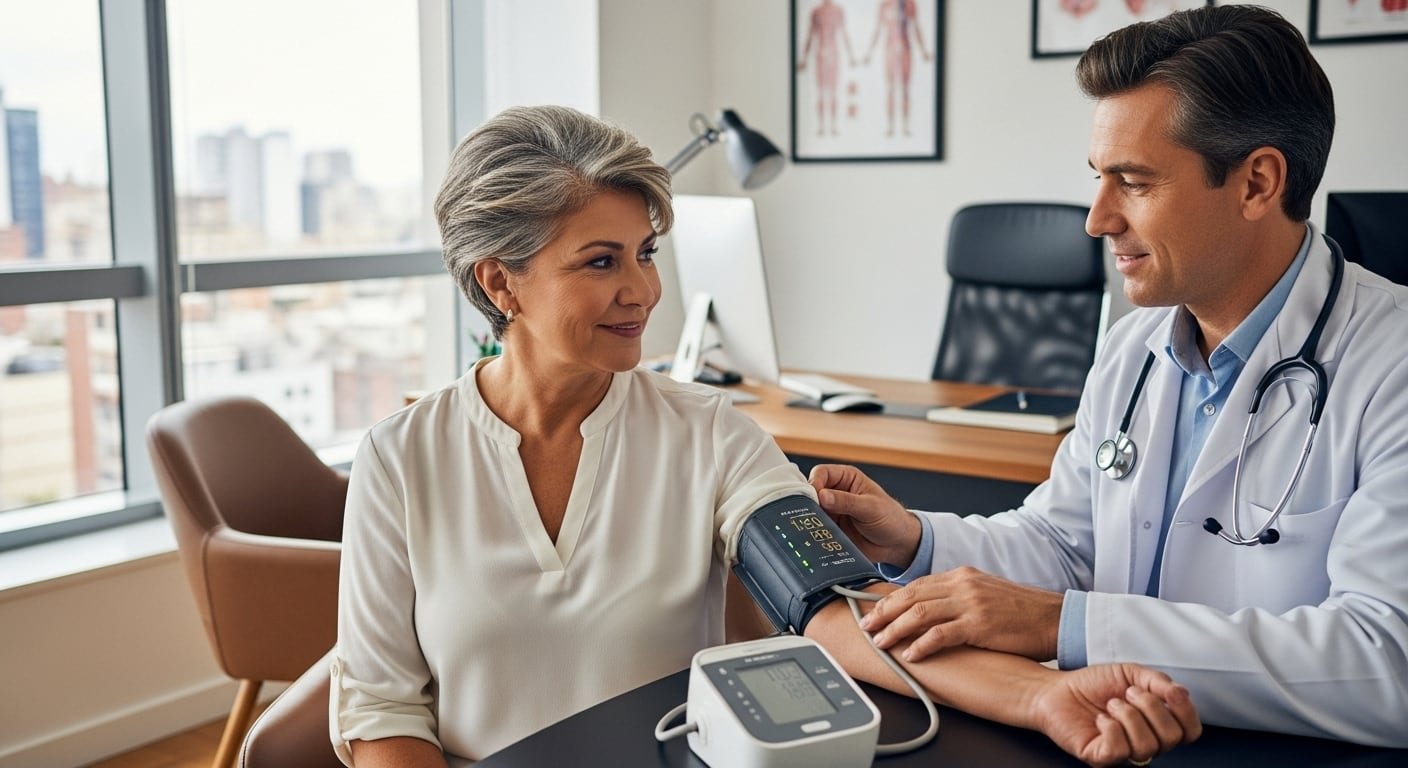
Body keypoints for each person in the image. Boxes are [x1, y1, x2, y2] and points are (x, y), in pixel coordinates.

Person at [329, 105, 1197, 768]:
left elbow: (839, 612)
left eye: (646, 253)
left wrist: (1041, 697)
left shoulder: (710, 435)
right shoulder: (401, 458)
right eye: (601, 261)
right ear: (499, 283)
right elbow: (381, 711)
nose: (644, 291)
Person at [812, 4, 1408, 748]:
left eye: (1133, 182)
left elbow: (1387, 661)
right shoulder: (1135, 346)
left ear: (1257, 183)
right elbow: (1064, 543)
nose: (1097, 219)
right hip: (1109, 734)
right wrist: (914, 540)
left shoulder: (1391, 362)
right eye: (1099, 178)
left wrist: (1066, 624)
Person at [861, 0, 931, 137]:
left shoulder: (910, 4)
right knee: (890, 89)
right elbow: (878, 30)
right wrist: (869, 53)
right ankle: (890, 126)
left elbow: (916, 27)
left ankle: (905, 126)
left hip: (905, 48)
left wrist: (923, 50)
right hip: (890, 50)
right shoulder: (884, 6)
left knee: (905, 89)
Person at [796, 0, 857, 137]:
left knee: (833, 92)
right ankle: (822, 126)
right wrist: (804, 59)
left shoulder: (838, 11)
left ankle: (833, 126)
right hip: (821, 55)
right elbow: (810, 36)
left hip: (833, 54)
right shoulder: (816, 12)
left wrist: (851, 56)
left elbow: (844, 33)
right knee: (821, 93)